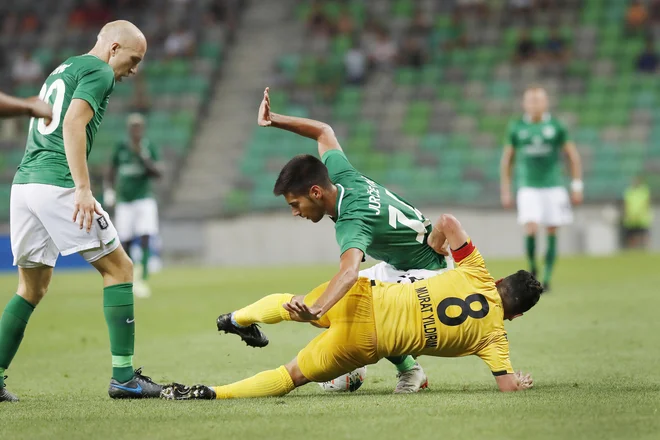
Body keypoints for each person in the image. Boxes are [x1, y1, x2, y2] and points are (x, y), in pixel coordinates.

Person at [215, 87, 453, 394]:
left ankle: (410, 371)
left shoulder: (353, 220)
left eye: (294, 204)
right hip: (407, 265)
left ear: (315, 192)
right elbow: (323, 131)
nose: (294, 212)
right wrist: (273, 119)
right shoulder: (340, 175)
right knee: (354, 299)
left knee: (362, 308)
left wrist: (317, 310)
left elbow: (348, 272)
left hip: (431, 279)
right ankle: (405, 368)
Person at [164, 214, 539, 400]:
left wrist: (440, 243)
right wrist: (517, 383)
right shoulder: (495, 339)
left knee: (297, 305)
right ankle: (212, 393)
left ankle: (236, 317)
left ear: (498, 282)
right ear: (518, 315)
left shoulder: (476, 270)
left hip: (360, 294)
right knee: (293, 375)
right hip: (366, 343)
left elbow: (446, 221)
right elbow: (506, 385)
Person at [0, 20, 163, 403]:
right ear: (114, 48)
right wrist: (83, 189)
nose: (134, 69)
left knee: (31, 287)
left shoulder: (65, 67)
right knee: (120, 269)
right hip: (58, 182)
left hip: (25, 185)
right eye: (133, 59)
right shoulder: (100, 70)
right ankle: (124, 378)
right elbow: (73, 123)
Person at [500, 87, 583, 292]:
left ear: (546, 103)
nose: (535, 104)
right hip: (528, 186)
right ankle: (533, 267)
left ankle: (547, 277)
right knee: (531, 227)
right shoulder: (516, 127)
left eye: (538, 100)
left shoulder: (556, 126)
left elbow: (572, 156)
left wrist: (576, 185)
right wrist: (506, 189)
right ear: (524, 104)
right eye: (531, 100)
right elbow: (507, 160)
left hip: (554, 186)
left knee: (552, 229)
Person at [105, 113, 162, 298]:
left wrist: (143, 157)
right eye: (133, 127)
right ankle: (128, 277)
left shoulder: (147, 146)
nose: (136, 130)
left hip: (144, 197)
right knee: (126, 240)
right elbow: (112, 169)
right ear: (129, 129)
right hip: (125, 200)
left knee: (145, 236)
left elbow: (157, 173)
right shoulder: (121, 147)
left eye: (139, 127)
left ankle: (143, 278)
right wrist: (110, 190)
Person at [622, 176, 652, 249]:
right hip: (631, 218)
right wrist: (626, 214)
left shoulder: (644, 191)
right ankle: (633, 251)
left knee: (643, 235)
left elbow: (647, 203)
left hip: (642, 217)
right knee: (631, 235)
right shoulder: (628, 191)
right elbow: (626, 204)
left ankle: (645, 249)